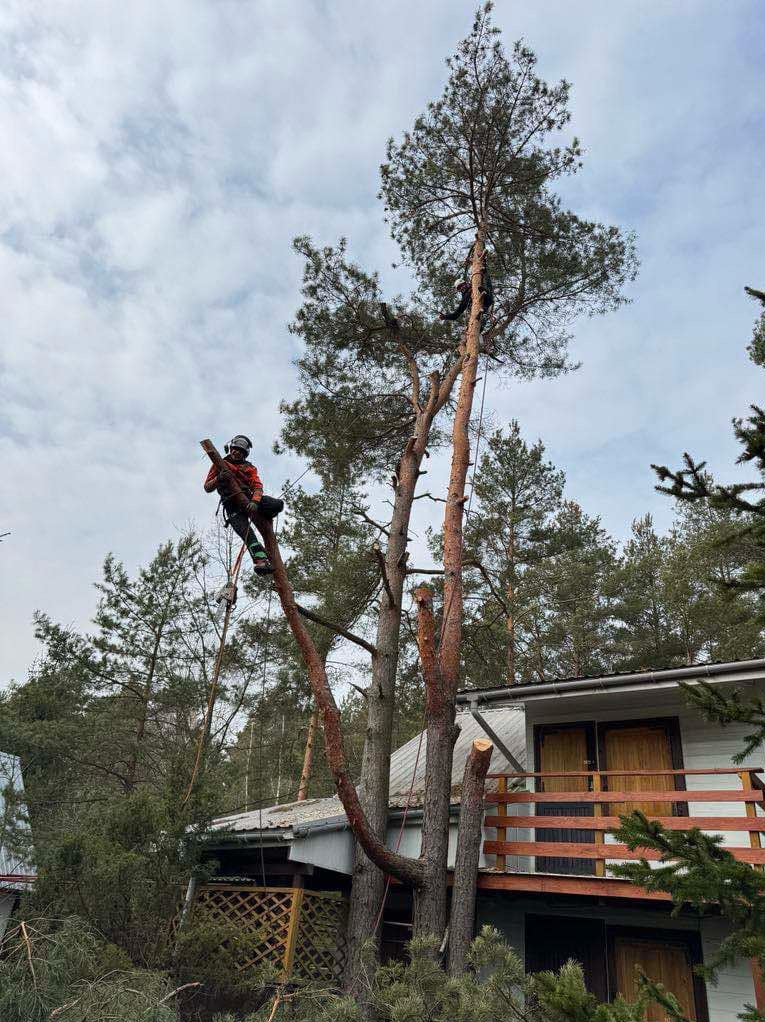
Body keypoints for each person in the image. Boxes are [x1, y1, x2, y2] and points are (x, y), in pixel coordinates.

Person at [203, 434, 284, 575]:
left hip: (249, 498)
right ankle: (261, 562)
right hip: (231, 505)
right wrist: (219, 478)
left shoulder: (249, 468)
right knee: (248, 535)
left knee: (277, 504)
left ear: (245, 454)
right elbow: (207, 487)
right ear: (230, 449)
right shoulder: (219, 464)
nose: (237, 453)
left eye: (241, 451)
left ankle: (264, 515)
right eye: (235, 449)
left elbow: (257, 486)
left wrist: (255, 501)